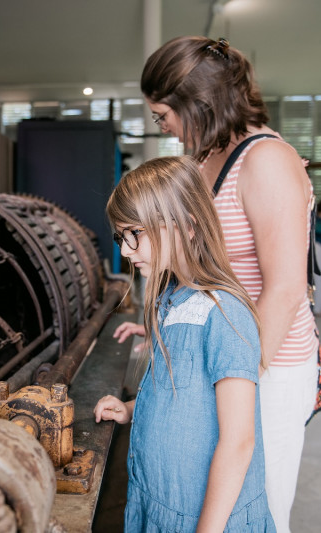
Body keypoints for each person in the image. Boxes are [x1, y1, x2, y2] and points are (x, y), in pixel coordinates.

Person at [130, 36, 319, 532]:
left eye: (162, 115)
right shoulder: (203, 157)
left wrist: (236, 375)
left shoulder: (266, 160)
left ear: (196, 104)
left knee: (254, 507)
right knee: (204, 496)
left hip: (267, 361)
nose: (164, 128)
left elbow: (284, 289)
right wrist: (166, 331)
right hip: (222, 354)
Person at [95, 156, 275, 532]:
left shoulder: (226, 315)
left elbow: (239, 442)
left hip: (203, 518)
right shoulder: (169, 301)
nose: (125, 251)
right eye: (120, 236)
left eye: (134, 234)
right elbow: (176, 394)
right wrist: (129, 409)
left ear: (187, 227)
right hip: (158, 501)